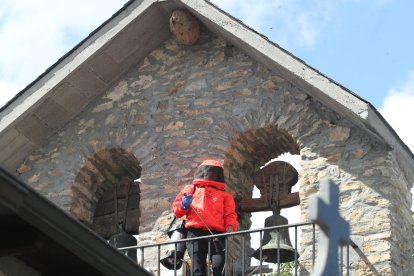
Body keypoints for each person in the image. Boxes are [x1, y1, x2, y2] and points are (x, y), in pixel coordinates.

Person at [171, 159, 238, 276]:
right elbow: (177, 211)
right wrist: (183, 205)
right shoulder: (191, 189)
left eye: (213, 172)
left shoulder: (225, 196)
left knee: (219, 266)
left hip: (217, 234)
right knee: (198, 268)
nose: (209, 174)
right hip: (195, 233)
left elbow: (230, 215)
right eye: (207, 171)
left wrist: (230, 227)